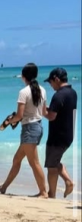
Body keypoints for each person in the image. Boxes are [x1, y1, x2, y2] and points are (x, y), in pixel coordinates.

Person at [0, 63, 48, 198]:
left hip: (29, 129)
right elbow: (43, 112)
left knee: (34, 163)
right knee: (17, 159)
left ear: (23, 76)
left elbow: (19, 116)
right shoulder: (43, 90)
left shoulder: (23, 92)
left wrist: (9, 121)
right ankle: (4, 187)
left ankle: (43, 192)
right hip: (38, 126)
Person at [42, 68, 76, 198]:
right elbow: (62, 110)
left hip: (57, 137)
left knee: (51, 166)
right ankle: (64, 184)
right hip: (68, 135)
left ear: (56, 79)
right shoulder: (72, 93)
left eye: (51, 82)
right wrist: (47, 108)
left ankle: (54, 192)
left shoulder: (58, 95)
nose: (51, 85)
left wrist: (42, 112)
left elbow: (51, 116)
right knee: (55, 161)